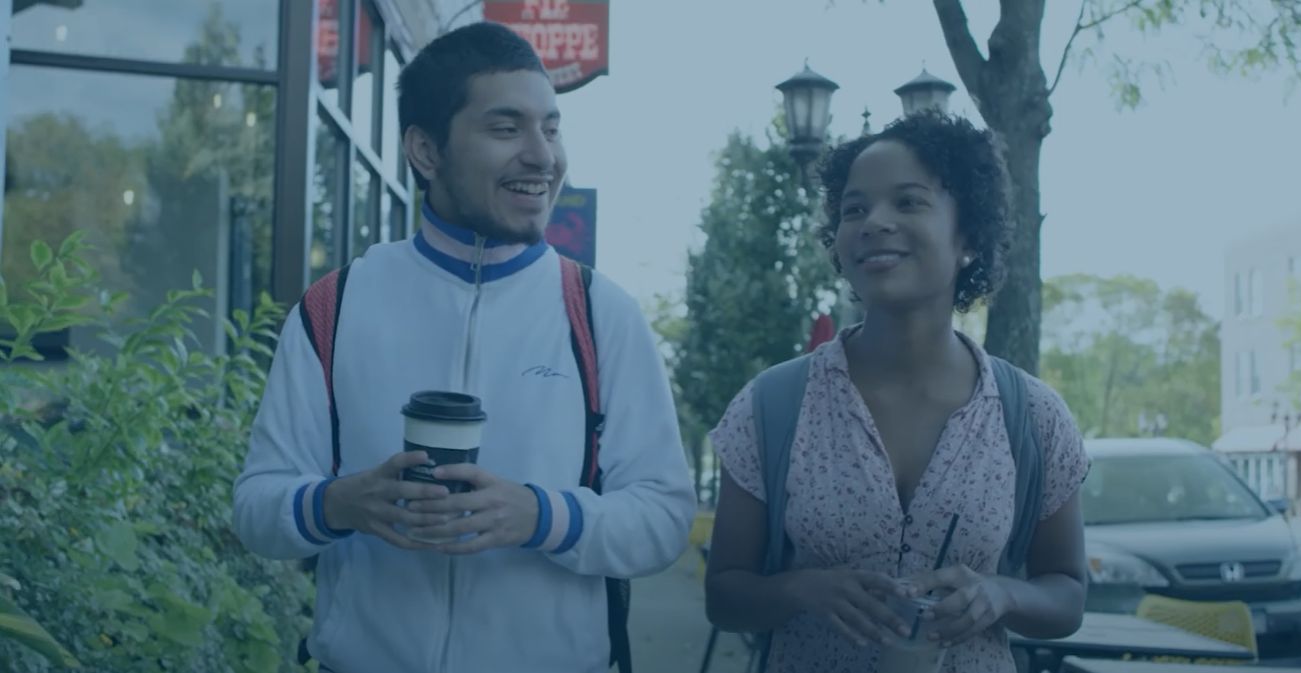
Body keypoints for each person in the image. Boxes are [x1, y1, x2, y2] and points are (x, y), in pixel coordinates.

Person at [232, 22, 695, 673]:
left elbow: (664, 517)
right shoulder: (334, 306)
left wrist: (539, 514)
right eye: (507, 129)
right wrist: (340, 502)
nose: (544, 156)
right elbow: (256, 507)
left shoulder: (599, 313)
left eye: (552, 128)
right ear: (425, 150)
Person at [703, 111, 1090, 673]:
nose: (873, 222)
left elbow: (1068, 594)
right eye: (853, 209)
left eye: (908, 202)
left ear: (969, 239)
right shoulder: (771, 406)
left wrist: (1001, 595)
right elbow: (724, 597)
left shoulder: (1031, 415)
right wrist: (801, 590)